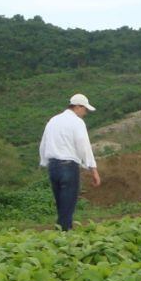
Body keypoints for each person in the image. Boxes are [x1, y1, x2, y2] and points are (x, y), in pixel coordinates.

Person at [39, 93, 101, 231]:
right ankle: (63, 234)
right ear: (78, 107)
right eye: (85, 109)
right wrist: (93, 169)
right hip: (68, 166)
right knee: (68, 205)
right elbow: (83, 146)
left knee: (61, 205)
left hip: (53, 167)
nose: (85, 113)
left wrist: (44, 162)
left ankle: (62, 233)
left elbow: (44, 144)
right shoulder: (77, 122)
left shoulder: (53, 121)